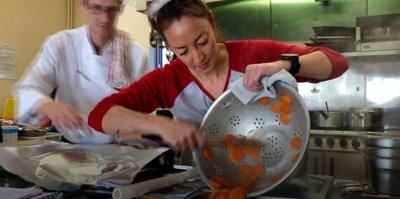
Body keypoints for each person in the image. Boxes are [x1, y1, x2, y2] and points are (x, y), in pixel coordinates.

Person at [88, 0, 348, 152]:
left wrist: (282, 65)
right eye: (182, 51)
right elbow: (99, 114)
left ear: (211, 23)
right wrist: (160, 126)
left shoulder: (254, 53)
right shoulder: (168, 80)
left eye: (202, 41)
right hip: (211, 184)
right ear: (168, 45)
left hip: (277, 175)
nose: (197, 57)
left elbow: (337, 63)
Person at [13, 0, 148, 144]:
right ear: (83, 4)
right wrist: (47, 106)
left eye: (111, 10)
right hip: (68, 146)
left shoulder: (135, 53)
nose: (104, 18)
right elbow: (29, 88)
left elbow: (145, 105)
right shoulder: (61, 44)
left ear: (120, 8)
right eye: (96, 8)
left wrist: (136, 129)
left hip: (117, 146)